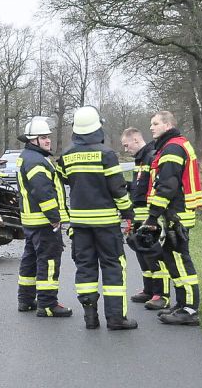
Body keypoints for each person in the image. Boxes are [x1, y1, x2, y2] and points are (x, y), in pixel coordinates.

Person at [58, 106, 137, 330]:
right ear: (97, 128)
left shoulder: (67, 155)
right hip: (106, 225)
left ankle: (90, 318)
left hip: (80, 224)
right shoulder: (107, 154)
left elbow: (64, 180)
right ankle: (115, 319)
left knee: (85, 268)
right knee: (112, 267)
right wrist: (128, 212)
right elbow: (118, 188)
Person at [143, 111, 202, 326]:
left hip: (176, 214)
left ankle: (189, 308)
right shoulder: (172, 146)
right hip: (175, 213)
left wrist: (152, 217)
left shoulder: (172, 148)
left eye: (156, 123)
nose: (152, 127)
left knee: (179, 258)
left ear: (168, 125)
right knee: (171, 256)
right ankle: (181, 304)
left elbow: (167, 186)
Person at [15, 117, 72, 318]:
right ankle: (48, 304)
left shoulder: (29, 157)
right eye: (43, 137)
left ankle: (26, 300)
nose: (48, 140)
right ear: (33, 140)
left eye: (48, 136)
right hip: (44, 223)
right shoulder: (37, 161)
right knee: (48, 261)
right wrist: (55, 217)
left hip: (32, 222)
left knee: (30, 260)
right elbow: (43, 192)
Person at [120, 128, 169, 310]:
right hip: (138, 212)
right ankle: (149, 289)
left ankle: (161, 294)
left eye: (126, 145)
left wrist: (153, 217)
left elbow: (154, 185)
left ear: (135, 139)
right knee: (141, 252)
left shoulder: (151, 156)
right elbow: (140, 185)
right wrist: (127, 186)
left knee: (154, 253)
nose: (126, 150)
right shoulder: (140, 160)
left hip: (149, 213)